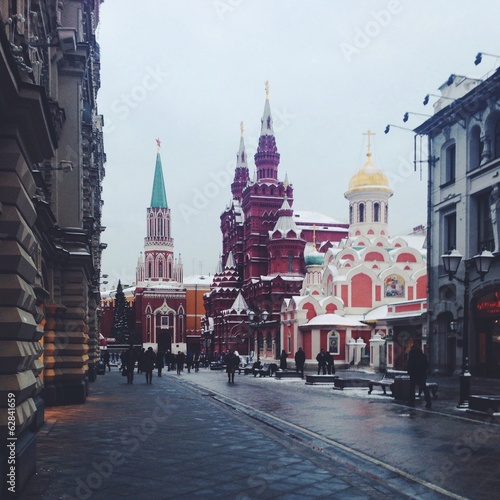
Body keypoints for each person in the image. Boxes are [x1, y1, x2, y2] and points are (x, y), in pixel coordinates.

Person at [407, 340, 432, 408]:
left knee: (412, 388)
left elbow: (410, 364)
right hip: (422, 374)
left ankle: (411, 401)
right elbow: (426, 364)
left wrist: (409, 371)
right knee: (424, 387)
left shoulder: (412, 355)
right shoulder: (422, 355)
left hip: (414, 374)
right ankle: (428, 401)